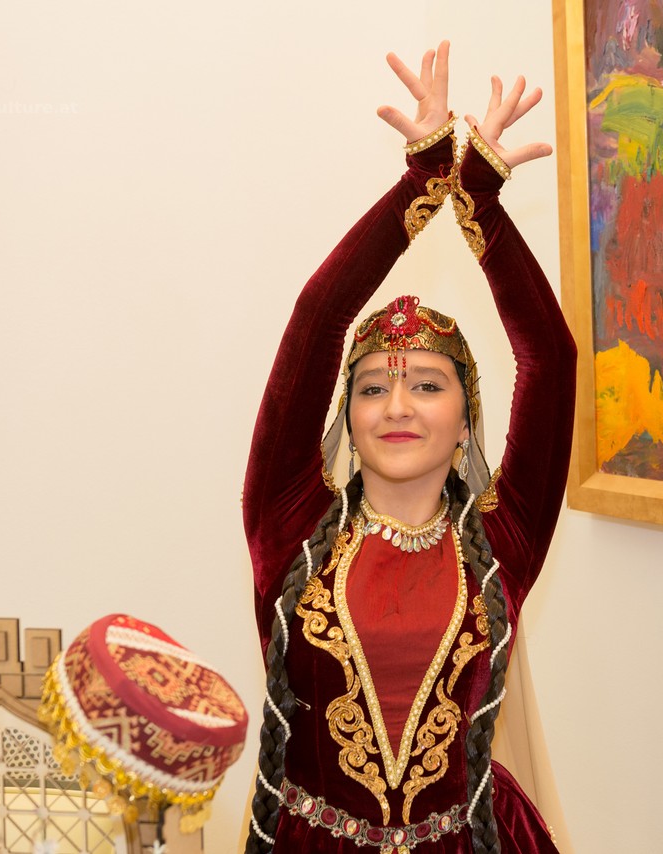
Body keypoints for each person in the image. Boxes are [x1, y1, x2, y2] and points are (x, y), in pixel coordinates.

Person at [242, 42, 575, 853]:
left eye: (427, 385)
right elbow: (318, 317)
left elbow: (551, 356)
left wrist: (483, 205)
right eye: (372, 389)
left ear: (465, 419)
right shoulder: (288, 524)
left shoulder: (504, 539)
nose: (396, 407)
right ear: (347, 414)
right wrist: (421, 184)